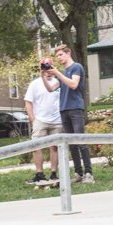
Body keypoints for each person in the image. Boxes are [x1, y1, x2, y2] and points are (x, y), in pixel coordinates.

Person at [42, 44, 94, 184]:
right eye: (57, 56)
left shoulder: (76, 67)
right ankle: (78, 173)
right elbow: (51, 89)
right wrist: (43, 76)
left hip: (76, 108)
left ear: (68, 53)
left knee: (80, 140)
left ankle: (89, 173)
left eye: (60, 55)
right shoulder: (63, 73)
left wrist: (58, 73)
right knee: (72, 144)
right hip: (64, 109)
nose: (58, 58)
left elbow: (73, 85)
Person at [24, 59, 63, 184]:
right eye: (45, 69)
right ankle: (39, 174)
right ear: (41, 70)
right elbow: (28, 102)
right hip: (40, 120)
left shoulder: (59, 81)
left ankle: (53, 174)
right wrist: (33, 119)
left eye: (50, 68)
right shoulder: (35, 84)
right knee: (37, 146)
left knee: (55, 147)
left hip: (57, 120)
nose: (48, 71)